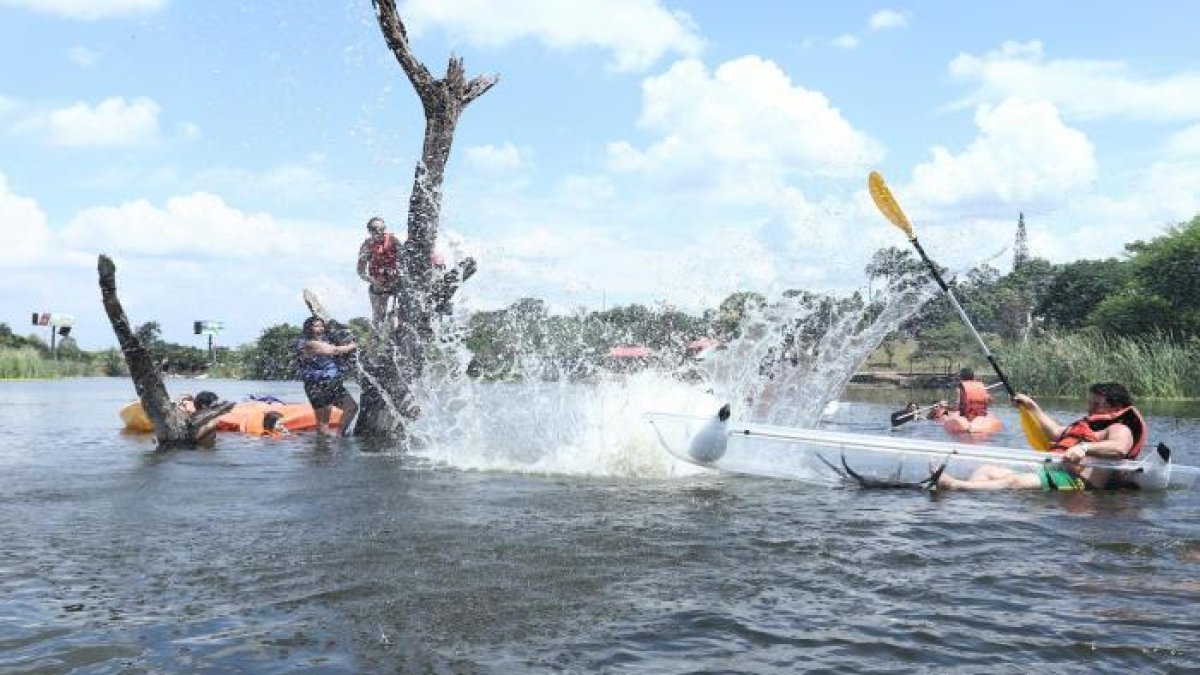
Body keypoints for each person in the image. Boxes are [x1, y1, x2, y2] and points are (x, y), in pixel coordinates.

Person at [937, 382, 1147, 491]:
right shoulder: (1087, 427)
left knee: (1015, 481)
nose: (1090, 408)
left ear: (1116, 407)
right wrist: (1031, 406)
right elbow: (1055, 432)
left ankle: (955, 486)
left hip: (1079, 483)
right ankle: (969, 496)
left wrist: (1084, 448)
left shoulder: (1120, 428)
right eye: (1089, 402)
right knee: (985, 470)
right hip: (1056, 473)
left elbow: (1118, 448)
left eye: (1096, 404)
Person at [298, 316, 359, 436]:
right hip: (317, 386)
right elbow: (334, 350)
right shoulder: (308, 343)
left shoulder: (326, 339)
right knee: (323, 422)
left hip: (332, 384)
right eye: (316, 326)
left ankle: (339, 436)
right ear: (309, 329)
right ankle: (323, 445)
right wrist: (352, 346)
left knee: (351, 408)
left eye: (321, 326)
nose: (320, 328)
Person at [357, 217, 402, 327]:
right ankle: (377, 333)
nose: (379, 232)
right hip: (378, 285)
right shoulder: (366, 246)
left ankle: (396, 325)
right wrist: (373, 281)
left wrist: (398, 274)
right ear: (369, 231)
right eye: (374, 229)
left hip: (396, 281)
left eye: (382, 229)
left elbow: (405, 261)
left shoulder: (394, 242)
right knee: (378, 319)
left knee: (401, 312)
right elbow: (361, 271)